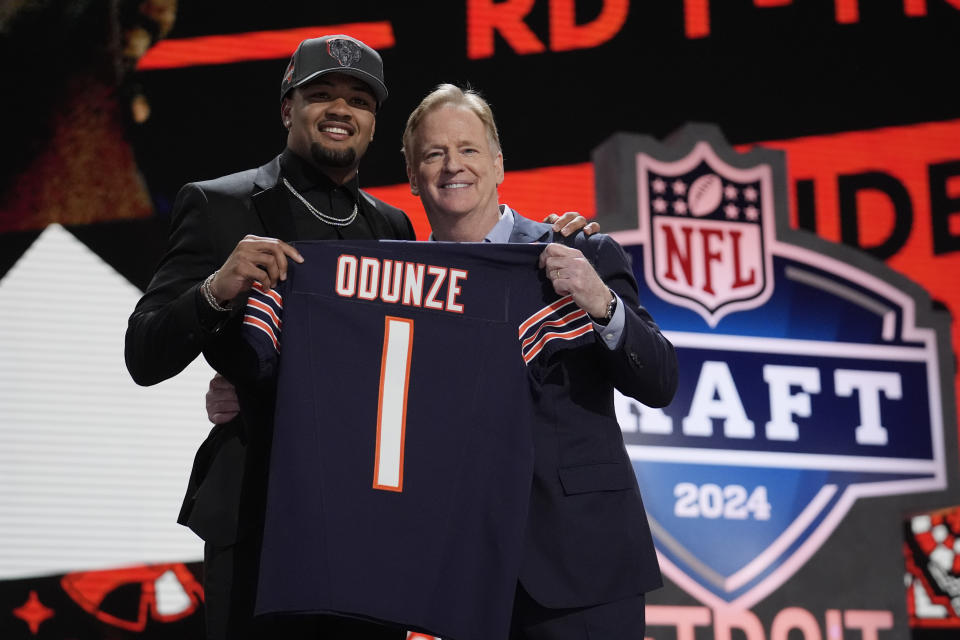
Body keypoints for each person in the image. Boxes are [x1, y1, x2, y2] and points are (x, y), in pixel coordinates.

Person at [126, 36, 592, 640]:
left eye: (359, 100)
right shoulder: (220, 205)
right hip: (259, 515)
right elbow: (144, 353)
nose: (340, 109)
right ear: (288, 108)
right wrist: (216, 290)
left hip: (370, 521)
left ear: (374, 124)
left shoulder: (390, 225)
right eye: (320, 94)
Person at [207, 84, 678, 639]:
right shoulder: (394, 287)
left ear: (499, 164)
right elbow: (350, 386)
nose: (453, 165)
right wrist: (245, 384)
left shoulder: (579, 253)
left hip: (579, 565)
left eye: (469, 150)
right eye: (433, 154)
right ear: (411, 175)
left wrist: (601, 302)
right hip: (456, 572)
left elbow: (660, 379)